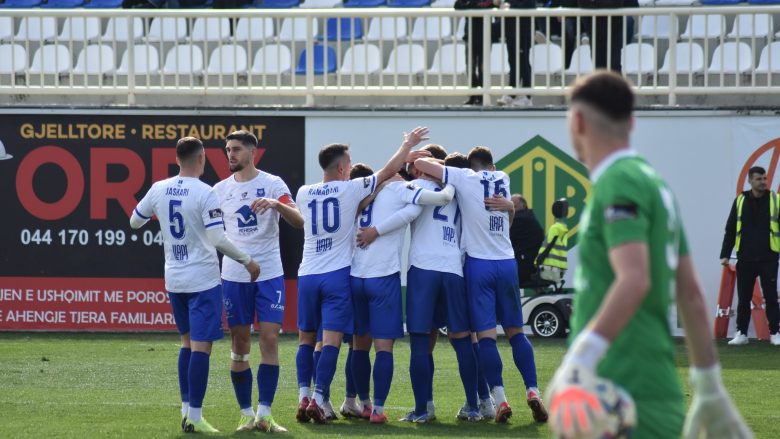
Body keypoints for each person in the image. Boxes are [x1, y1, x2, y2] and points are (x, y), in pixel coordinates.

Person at [547, 71, 752, 439]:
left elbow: (635, 278)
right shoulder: (655, 185)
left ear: (577, 121)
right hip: (657, 394)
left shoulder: (618, 180)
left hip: (615, 393)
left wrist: (581, 359)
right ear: (631, 122)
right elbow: (690, 294)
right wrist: (708, 382)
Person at [293, 127, 431, 424]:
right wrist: (407, 145)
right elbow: (389, 171)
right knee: (340, 343)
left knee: (309, 340)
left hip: (308, 274)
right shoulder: (351, 189)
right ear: (343, 168)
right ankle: (326, 400)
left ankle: (306, 397)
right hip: (340, 275)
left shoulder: (303, 192)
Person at [129, 137, 260, 434]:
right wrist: (247, 260)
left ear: (177, 159)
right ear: (201, 158)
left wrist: (162, 214)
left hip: (174, 278)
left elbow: (135, 221)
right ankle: (196, 416)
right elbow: (217, 239)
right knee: (201, 346)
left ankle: (186, 410)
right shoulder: (205, 192)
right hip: (202, 279)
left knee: (187, 343)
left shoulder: (158, 188)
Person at [415, 147, 549, 424]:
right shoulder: (503, 178)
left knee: (485, 338)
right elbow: (507, 222)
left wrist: (425, 159)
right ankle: (533, 391)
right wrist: (510, 207)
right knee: (516, 333)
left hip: (478, 265)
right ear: (493, 165)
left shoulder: (464, 178)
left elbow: (421, 164)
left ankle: (500, 400)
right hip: (506, 262)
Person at [211, 130, 304, 433]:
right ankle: (245, 413)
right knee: (239, 343)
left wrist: (276, 204)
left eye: (236, 149)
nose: (231, 155)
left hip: (269, 273)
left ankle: (265, 413)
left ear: (253, 152)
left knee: (270, 338)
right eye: (228, 150)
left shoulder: (273, 183)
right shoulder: (219, 190)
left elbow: (299, 220)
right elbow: (212, 233)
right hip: (234, 275)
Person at [350, 162, 456, 423]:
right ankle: (377, 410)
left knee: (359, 346)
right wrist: (452, 183)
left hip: (355, 275)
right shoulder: (399, 188)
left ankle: (363, 403)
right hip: (383, 276)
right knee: (383, 348)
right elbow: (419, 208)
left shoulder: (359, 195)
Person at [720, 166, 780, 346]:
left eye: (764, 178)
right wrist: (725, 254)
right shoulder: (740, 201)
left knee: (771, 297)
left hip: (769, 256)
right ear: (750, 181)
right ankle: (741, 333)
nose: (763, 182)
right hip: (745, 257)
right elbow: (731, 229)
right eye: (759, 179)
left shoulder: (775, 200)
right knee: (744, 298)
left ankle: (775, 333)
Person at [455, 0, 496, 106]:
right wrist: (472, 5)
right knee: (470, 67)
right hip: (470, 36)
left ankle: (483, 96)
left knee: (482, 68)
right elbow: (457, 5)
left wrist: (470, 6)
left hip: (485, 37)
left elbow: (488, 5)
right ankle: (473, 96)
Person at [497, 0, 535, 107]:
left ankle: (527, 97)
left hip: (523, 29)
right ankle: (512, 94)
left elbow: (529, 4)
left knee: (523, 61)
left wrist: (510, 6)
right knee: (512, 61)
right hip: (511, 29)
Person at [509, 194, 545, 286]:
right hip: (529, 264)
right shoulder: (528, 216)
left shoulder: (520, 218)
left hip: (525, 267)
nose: (511, 209)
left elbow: (504, 238)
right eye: (510, 206)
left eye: (514, 207)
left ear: (523, 206)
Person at [577, 0, 624, 72]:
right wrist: (601, 5)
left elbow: (616, 3)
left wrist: (594, 3)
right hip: (594, 28)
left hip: (613, 28)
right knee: (598, 67)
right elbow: (583, 4)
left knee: (614, 67)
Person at [535, 198, 569, 284]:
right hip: (559, 268)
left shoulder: (555, 228)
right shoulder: (564, 228)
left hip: (548, 267)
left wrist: (538, 260)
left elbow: (548, 246)